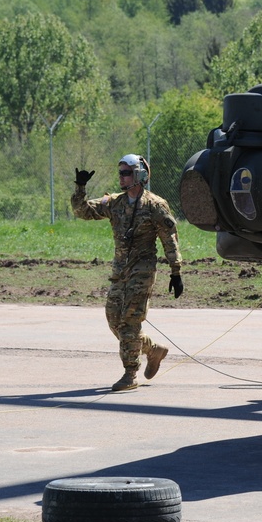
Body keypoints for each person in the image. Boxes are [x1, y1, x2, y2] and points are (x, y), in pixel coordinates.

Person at [72, 154, 184, 391]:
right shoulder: (115, 202)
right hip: (120, 270)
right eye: (120, 173)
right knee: (114, 320)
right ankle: (153, 350)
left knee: (130, 321)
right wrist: (80, 187)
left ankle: (130, 374)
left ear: (140, 175)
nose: (121, 178)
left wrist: (176, 271)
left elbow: (169, 239)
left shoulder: (156, 205)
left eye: (126, 173)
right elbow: (82, 211)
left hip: (142, 270)